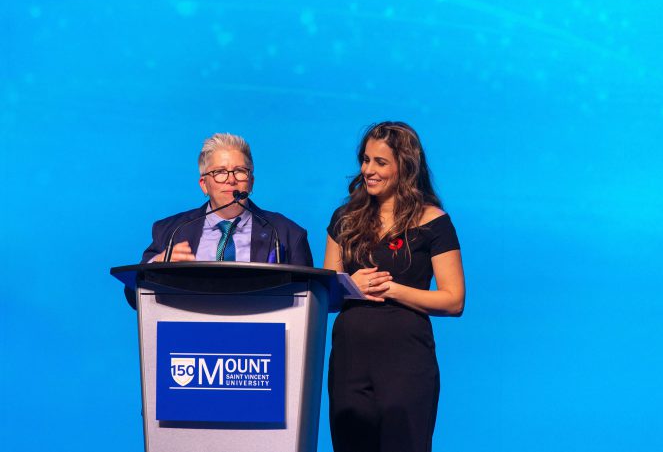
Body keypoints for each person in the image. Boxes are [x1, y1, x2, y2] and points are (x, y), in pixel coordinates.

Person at [324, 121, 465, 452]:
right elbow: (324, 294)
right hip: (349, 360)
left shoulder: (433, 223)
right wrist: (348, 286)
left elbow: (454, 300)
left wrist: (393, 290)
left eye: (380, 162)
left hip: (406, 361)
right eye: (365, 160)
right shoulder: (344, 219)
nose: (368, 170)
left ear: (405, 166)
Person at [140, 133, 313, 266]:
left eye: (239, 171)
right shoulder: (171, 231)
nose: (231, 180)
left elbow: (308, 298)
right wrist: (154, 266)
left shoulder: (286, 233)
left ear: (251, 182)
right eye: (220, 172)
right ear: (204, 184)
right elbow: (135, 296)